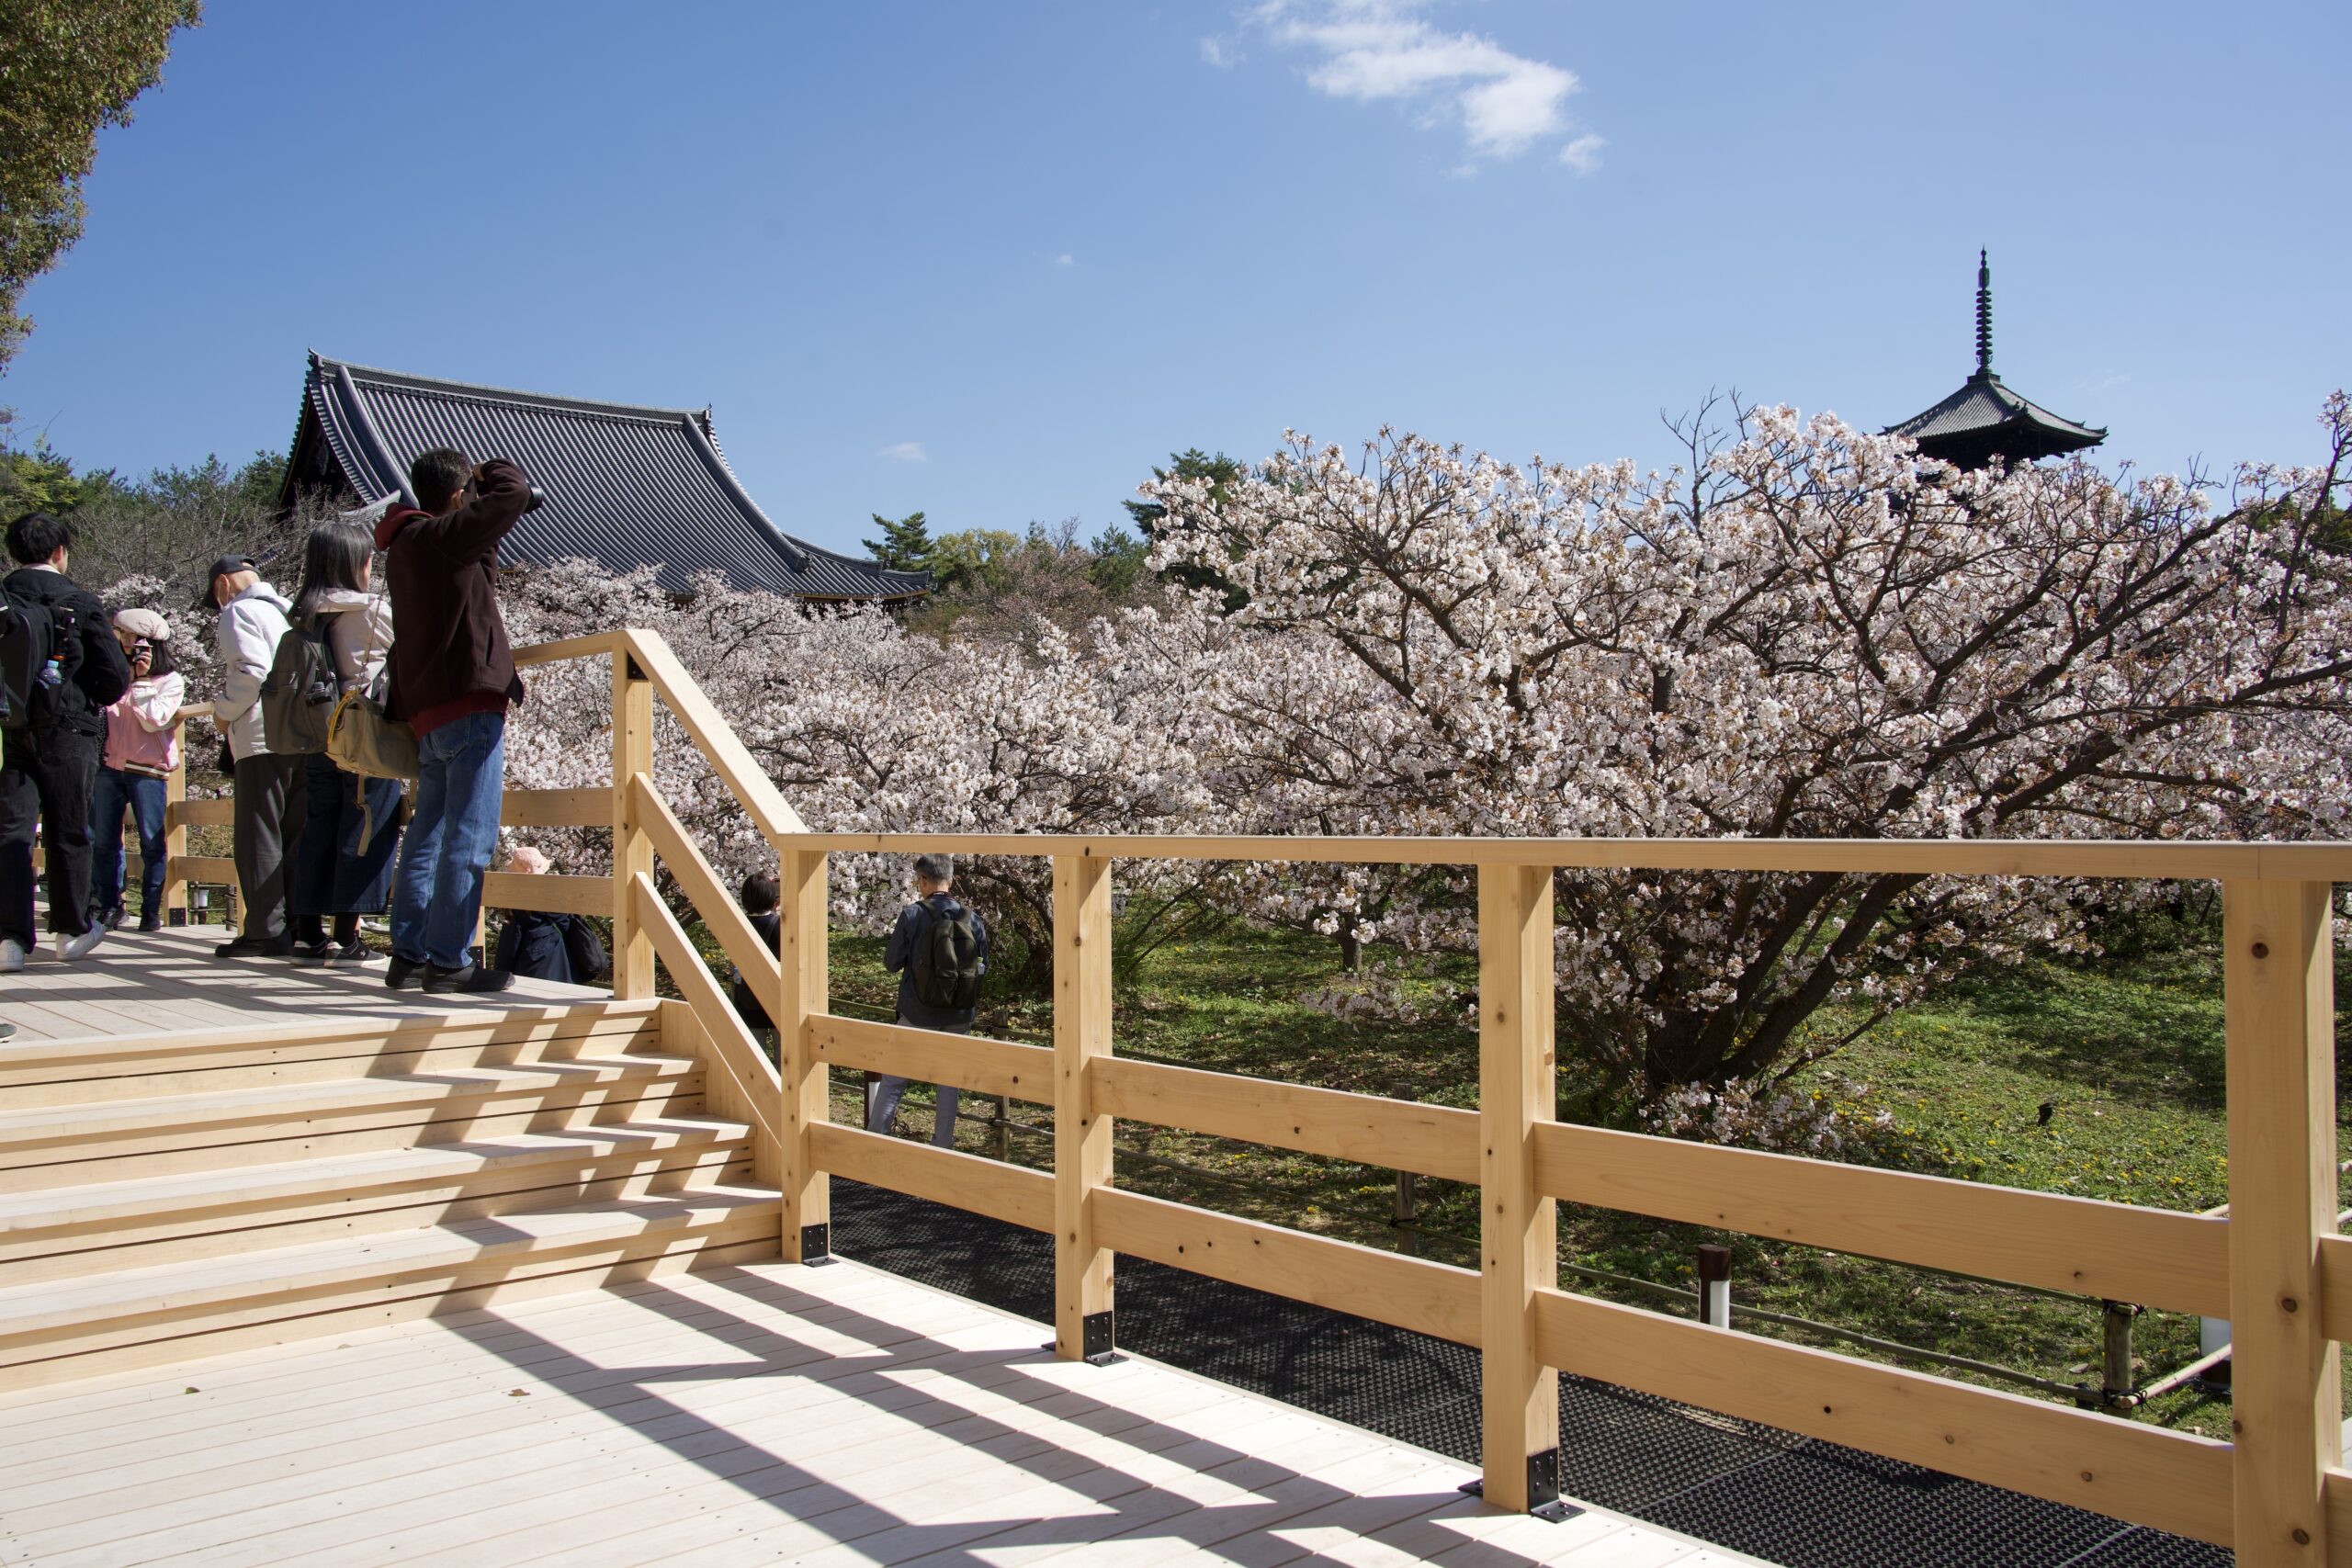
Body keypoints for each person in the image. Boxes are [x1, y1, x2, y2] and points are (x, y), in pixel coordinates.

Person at [375, 448, 535, 995]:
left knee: (428, 832)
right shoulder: (440, 539)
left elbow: (476, 580)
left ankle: (408, 952)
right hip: (469, 706)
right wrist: (489, 471)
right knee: (470, 833)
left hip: (428, 714)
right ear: (455, 495)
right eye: (467, 494)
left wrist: (474, 507)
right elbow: (512, 494)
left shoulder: (407, 547)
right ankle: (447, 959)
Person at [0, 513, 131, 972]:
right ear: (59, 552)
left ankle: (10, 940)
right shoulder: (79, 600)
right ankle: (70, 931)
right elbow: (115, 678)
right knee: (69, 828)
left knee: (13, 830)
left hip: (14, 727)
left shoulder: (4, 599)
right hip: (70, 727)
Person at [284, 522, 401, 964]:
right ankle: (348, 936)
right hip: (358, 736)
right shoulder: (371, 611)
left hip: (316, 735)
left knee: (319, 826)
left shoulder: (303, 613)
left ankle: (308, 932)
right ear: (355, 564)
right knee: (367, 824)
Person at [202, 555, 301, 958]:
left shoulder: (239, 611)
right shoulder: (293, 610)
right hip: (303, 732)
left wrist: (222, 712)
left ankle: (264, 930)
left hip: (262, 733)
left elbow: (251, 671)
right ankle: (294, 924)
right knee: (294, 832)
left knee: (259, 832)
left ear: (223, 584)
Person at [870, 853, 988, 1148]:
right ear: (950, 879)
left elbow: (891, 962)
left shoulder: (912, 915)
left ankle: (876, 1142)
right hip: (959, 1015)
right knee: (948, 1081)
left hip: (917, 1012)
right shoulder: (972, 919)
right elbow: (984, 967)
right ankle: (943, 1147)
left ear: (923, 880)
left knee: (895, 1077)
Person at [89, 608, 186, 932]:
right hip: (108, 766)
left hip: (147, 769)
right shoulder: (112, 676)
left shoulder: (170, 681)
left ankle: (150, 911)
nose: (129, 645)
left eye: (137, 641)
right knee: (103, 841)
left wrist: (142, 682)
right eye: (125, 638)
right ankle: (110, 906)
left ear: (153, 646)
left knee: (151, 842)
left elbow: (153, 720)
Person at [490, 846, 607, 985]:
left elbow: (508, 949)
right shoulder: (561, 900)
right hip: (567, 971)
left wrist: (498, 978)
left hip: (532, 976)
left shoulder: (520, 907)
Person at [728, 871, 784, 1040]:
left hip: (748, 1001)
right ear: (773, 899)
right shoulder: (782, 927)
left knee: (753, 1055)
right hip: (778, 1001)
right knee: (783, 1060)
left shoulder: (737, 926)